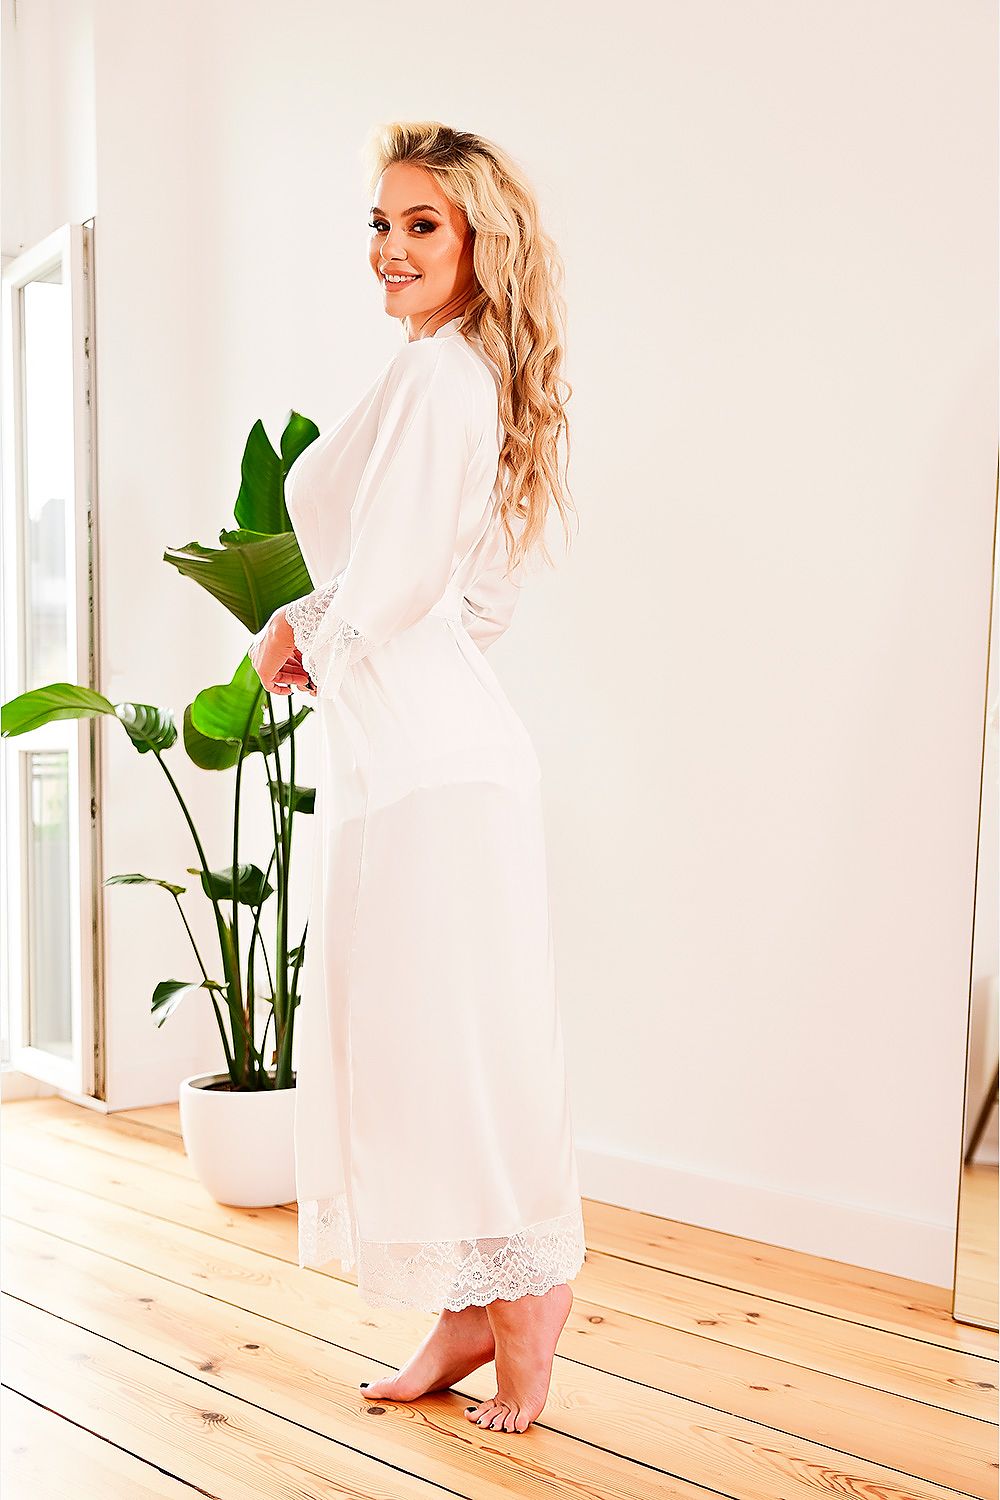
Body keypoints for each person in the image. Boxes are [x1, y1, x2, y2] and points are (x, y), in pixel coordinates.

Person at [249, 120, 584, 1436]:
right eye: (381, 224)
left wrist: (322, 631)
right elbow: (449, 593)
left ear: (477, 240)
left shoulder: (450, 381)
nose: (391, 247)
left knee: (461, 1049)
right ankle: (465, 1303)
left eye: (422, 225)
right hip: (433, 756)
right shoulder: (445, 374)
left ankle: (527, 1304)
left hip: (438, 770)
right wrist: (319, 628)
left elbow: (395, 586)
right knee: (427, 1049)